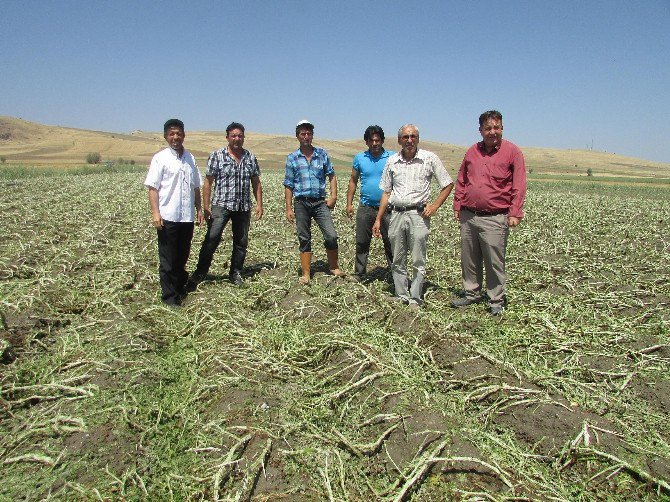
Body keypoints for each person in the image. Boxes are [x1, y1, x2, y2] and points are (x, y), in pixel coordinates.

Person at [451, 110, 527, 315]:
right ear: (480, 130)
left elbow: (519, 185)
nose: (493, 131)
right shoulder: (472, 152)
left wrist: (514, 212)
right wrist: (458, 204)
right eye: (488, 128)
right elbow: (462, 179)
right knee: (469, 258)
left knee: (494, 260)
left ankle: (496, 299)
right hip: (469, 215)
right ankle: (471, 293)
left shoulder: (512, 152)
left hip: (495, 216)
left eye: (496, 127)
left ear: (502, 128)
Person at [373, 124, 453, 307]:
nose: (409, 140)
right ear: (400, 140)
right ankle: (402, 294)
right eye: (406, 137)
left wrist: (434, 206)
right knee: (397, 258)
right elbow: (386, 192)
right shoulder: (392, 161)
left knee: (418, 259)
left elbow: (447, 183)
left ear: (418, 138)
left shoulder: (429, 159)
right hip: (396, 214)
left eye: (413, 136)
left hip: (418, 215)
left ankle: (415, 298)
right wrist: (378, 218)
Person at [191, 122, 263, 286]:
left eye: (240, 136)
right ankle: (201, 272)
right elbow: (208, 182)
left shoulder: (250, 157)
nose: (237, 139)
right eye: (233, 136)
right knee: (212, 238)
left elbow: (256, 182)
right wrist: (206, 206)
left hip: (243, 207)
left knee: (241, 242)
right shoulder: (217, 156)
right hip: (221, 206)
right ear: (227, 138)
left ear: (243, 137)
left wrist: (259, 204)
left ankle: (235, 273)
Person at [144, 118, 203, 306]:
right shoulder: (160, 158)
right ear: (165, 136)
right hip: (168, 216)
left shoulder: (190, 158)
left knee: (182, 255)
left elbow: (196, 187)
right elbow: (152, 188)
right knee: (168, 259)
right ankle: (169, 298)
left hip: (186, 217)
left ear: (184, 135)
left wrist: (199, 209)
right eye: (172, 133)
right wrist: (155, 213)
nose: (175, 137)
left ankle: (179, 288)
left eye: (178, 133)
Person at [284, 120, 346, 284]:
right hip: (301, 203)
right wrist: (289, 208)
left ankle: (333, 266)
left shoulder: (322, 154)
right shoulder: (292, 158)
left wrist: (333, 196)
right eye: (303, 133)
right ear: (297, 136)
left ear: (312, 135)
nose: (306, 136)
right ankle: (306, 273)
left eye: (309, 133)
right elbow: (289, 184)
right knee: (304, 237)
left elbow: (331, 175)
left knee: (331, 235)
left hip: (320, 203)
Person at [346, 125, 394, 280]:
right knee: (362, 242)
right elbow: (353, 181)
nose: (375, 143)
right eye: (371, 140)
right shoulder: (360, 158)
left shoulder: (392, 157)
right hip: (365, 207)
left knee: (390, 242)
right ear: (366, 142)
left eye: (378, 140)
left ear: (382, 141)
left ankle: (395, 275)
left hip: (388, 208)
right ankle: (360, 274)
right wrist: (349, 203)